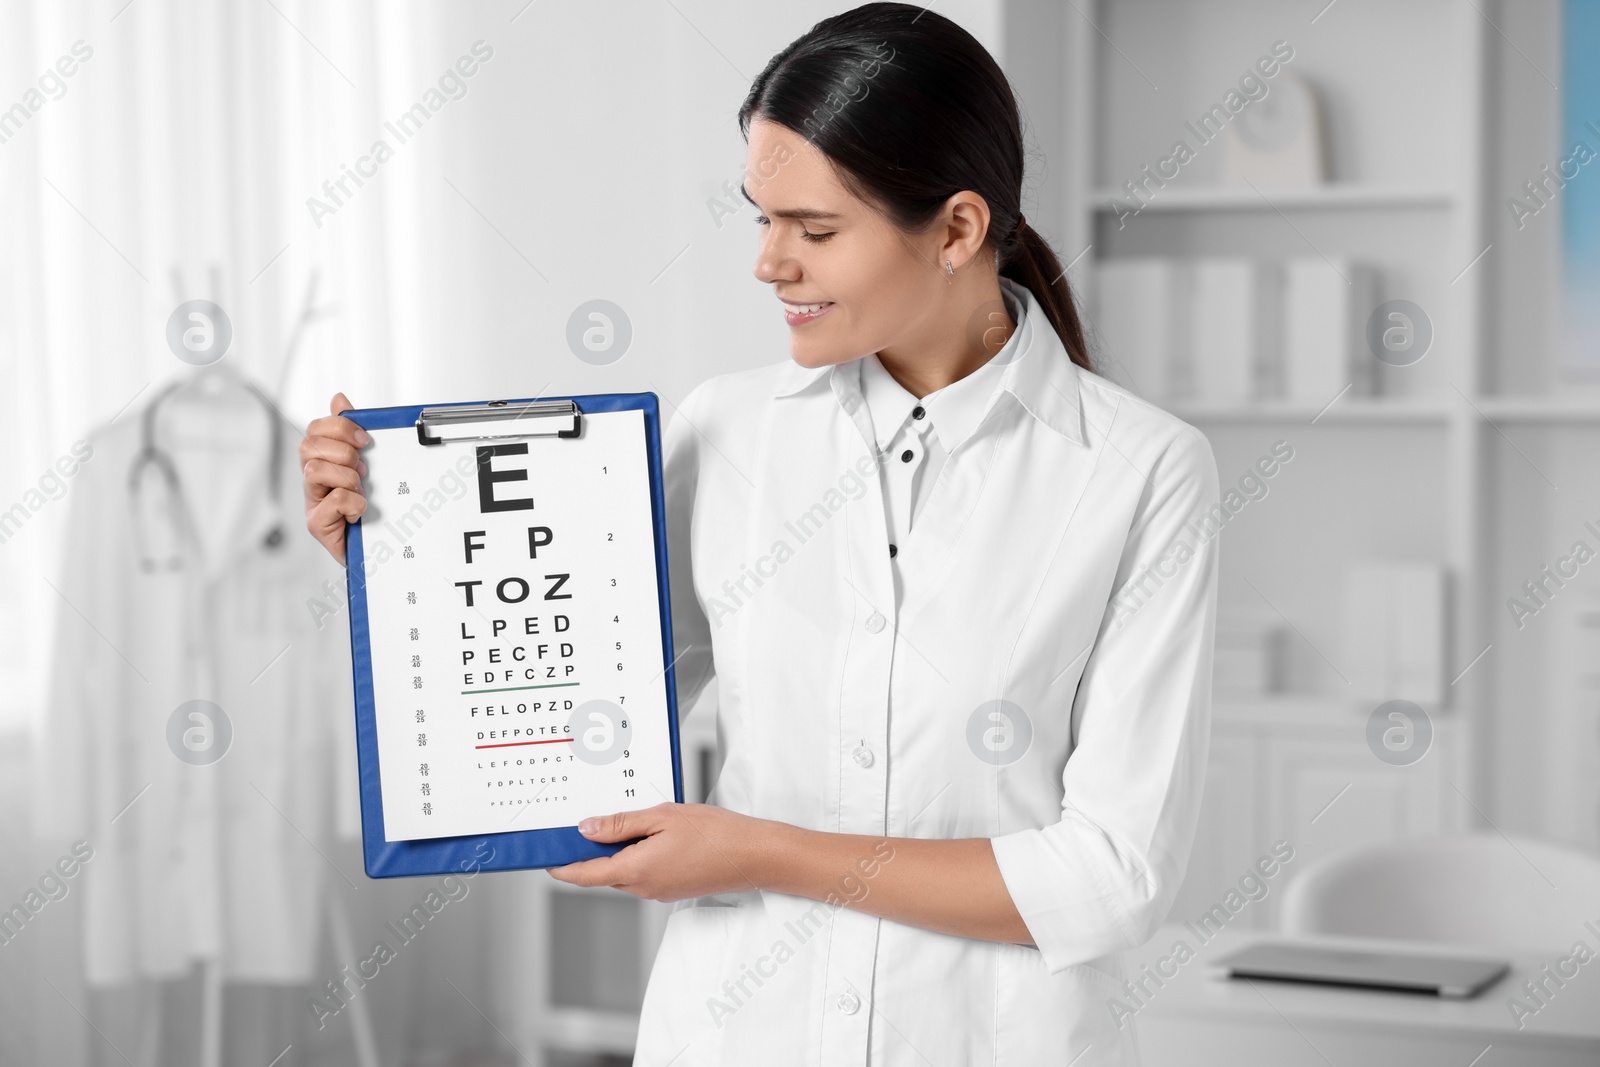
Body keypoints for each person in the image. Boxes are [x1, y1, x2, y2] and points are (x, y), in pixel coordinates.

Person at [300, 4, 1221, 1063]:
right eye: (761, 218)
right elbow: (585, 722)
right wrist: (406, 564)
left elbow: (1111, 878)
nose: (769, 264)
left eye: (816, 230)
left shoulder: (1139, 472)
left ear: (958, 229)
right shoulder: (725, 431)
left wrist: (764, 852)